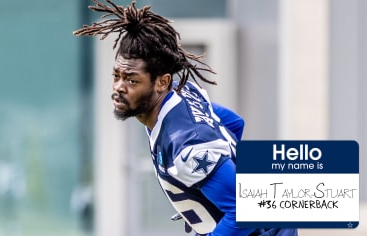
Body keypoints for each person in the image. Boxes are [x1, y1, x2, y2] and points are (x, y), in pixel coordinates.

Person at [74, 1, 298, 235]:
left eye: (132, 80)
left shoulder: (187, 145)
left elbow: (243, 212)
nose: (119, 87)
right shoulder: (181, 93)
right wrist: (201, 196)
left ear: (162, 82)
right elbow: (233, 122)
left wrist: (220, 188)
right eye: (116, 76)